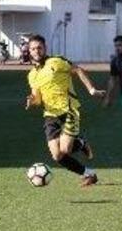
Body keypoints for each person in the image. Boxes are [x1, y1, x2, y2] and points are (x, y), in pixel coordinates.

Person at [25, 34, 106, 187]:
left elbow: (78, 70)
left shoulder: (56, 61)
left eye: (39, 48)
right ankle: (89, 174)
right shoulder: (32, 75)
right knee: (57, 155)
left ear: (45, 48)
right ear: (30, 51)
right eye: (33, 49)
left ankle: (80, 143)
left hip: (69, 110)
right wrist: (32, 101)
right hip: (50, 115)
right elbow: (37, 98)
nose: (37, 51)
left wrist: (92, 90)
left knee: (65, 149)